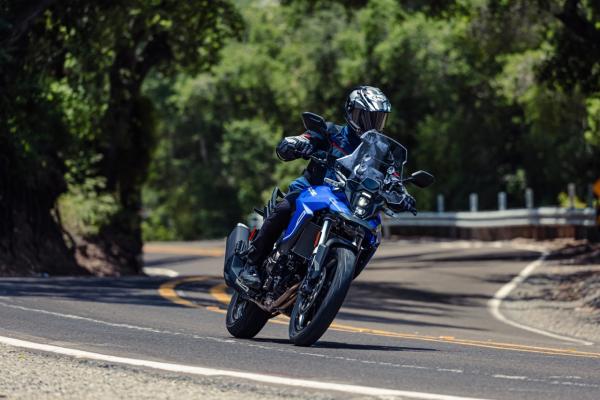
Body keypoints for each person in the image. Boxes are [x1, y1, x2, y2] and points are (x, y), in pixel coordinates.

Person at [239, 85, 415, 289]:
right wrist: (295, 143)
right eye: (366, 117)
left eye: (378, 118)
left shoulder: (382, 152)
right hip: (311, 189)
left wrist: (402, 193)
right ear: (351, 112)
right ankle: (251, 264)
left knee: (372, 235)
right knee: (285, 208)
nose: (372, 124)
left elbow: (392, 175)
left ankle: (332, 282)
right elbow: (307, 138)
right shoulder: (331, 133)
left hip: (351, 204)